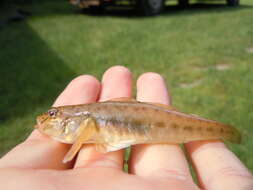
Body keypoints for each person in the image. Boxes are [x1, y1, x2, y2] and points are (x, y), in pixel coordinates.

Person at [0, 66, 252, 190]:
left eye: (54, 115)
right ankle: (224, 130)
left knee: (194, 126)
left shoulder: (86, 120)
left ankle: (223, 131)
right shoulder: (85, 119)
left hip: (158, 121)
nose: (47, 118)